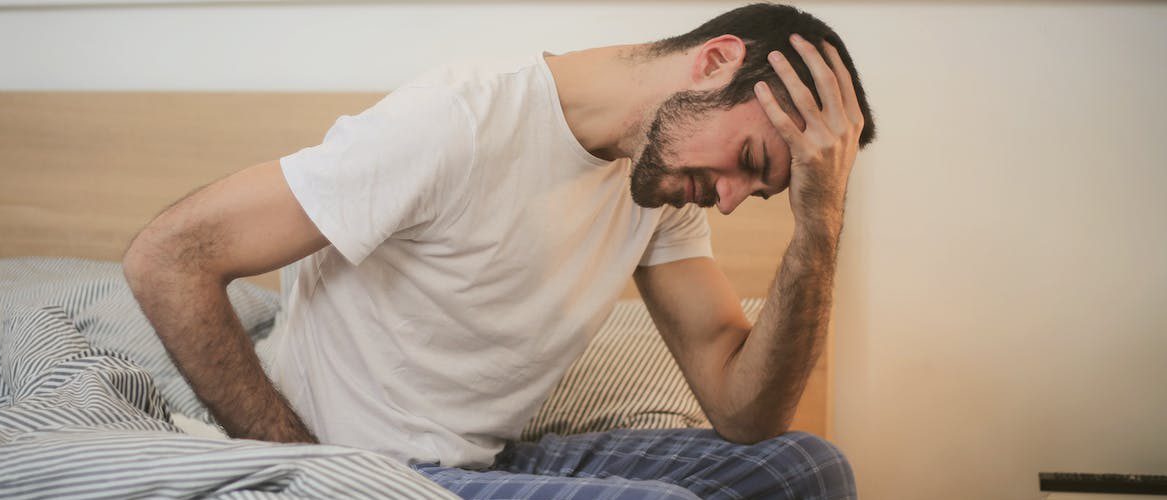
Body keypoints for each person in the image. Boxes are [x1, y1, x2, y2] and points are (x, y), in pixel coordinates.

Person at [123, 3, 876, 499]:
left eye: (762, 191)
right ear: (714, 61)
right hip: (363, 469)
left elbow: (743, 413)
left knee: (806, 468)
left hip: (480, 467)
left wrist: (819, 222)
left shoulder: (657, 187)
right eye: (747, 159)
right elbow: (169, 256)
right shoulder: (458, 121)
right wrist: (308, 464)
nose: (731, 198)